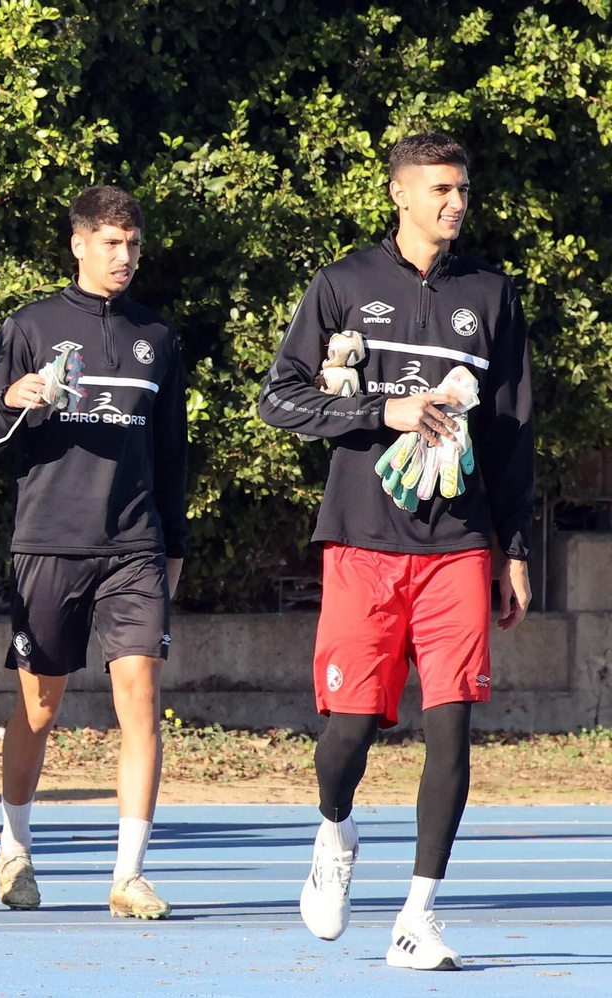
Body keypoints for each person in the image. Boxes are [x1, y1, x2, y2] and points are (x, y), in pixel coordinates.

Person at [258, 132, 534, 971]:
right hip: (362, 543)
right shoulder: (343, 284)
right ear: (400, 195)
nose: (456, 202)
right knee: (347, 734)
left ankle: (418, 915)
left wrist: (512, 549)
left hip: (457, 545)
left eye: (462, 188)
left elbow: (515, 432)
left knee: (453, 726)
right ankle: (335, 833)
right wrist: (386, 413)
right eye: (440, 189)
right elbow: (280, 400)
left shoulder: (492, 294)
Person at [0, 185, 188, 918]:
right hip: (48, 544)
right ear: (79, 244)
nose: (124, 256)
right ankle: (15, 847)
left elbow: (172, 452)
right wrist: (13, 404)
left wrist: (174, 544)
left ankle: (129, 874)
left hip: (133, 547)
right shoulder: (30, 326)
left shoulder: (157, 335)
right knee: (37, 707)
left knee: (141, 701)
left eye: (132, 243)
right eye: (110, 243)